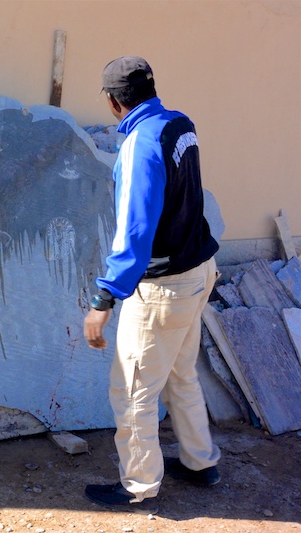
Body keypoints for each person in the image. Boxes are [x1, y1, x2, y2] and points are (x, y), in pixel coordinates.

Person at [83, 56, 221, 515]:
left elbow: (134, 233)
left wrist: (104, 298)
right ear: (151, 88)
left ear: (113, 102)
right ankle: (201, 462)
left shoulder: (139, 146)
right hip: (199, 271)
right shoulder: (179, 125)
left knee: (133, 390)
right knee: (181, 374)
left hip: (163, 289)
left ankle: (139, 486)